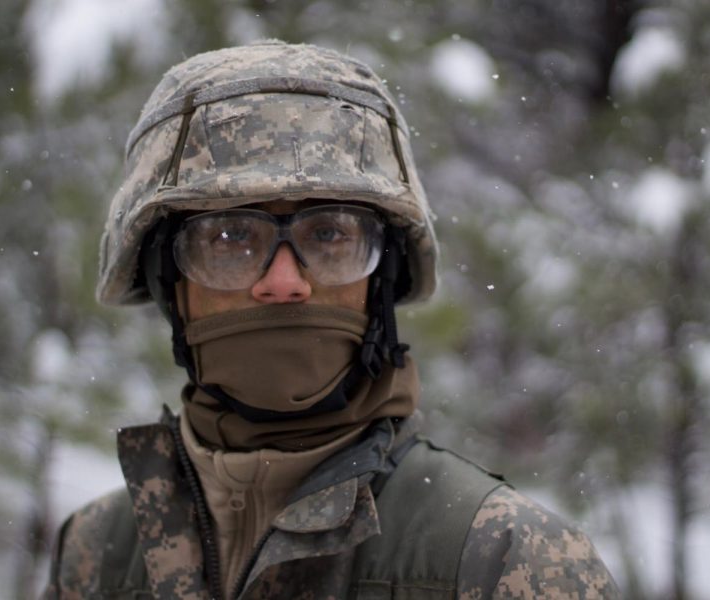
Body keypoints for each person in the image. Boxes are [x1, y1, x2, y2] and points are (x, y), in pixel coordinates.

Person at [42, 40, 620, 599]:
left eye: (330, 235)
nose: (285, 281)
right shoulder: (95, 557)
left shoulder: (506, 560)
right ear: (170, 282)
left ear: (383, 278)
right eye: (230, 237)